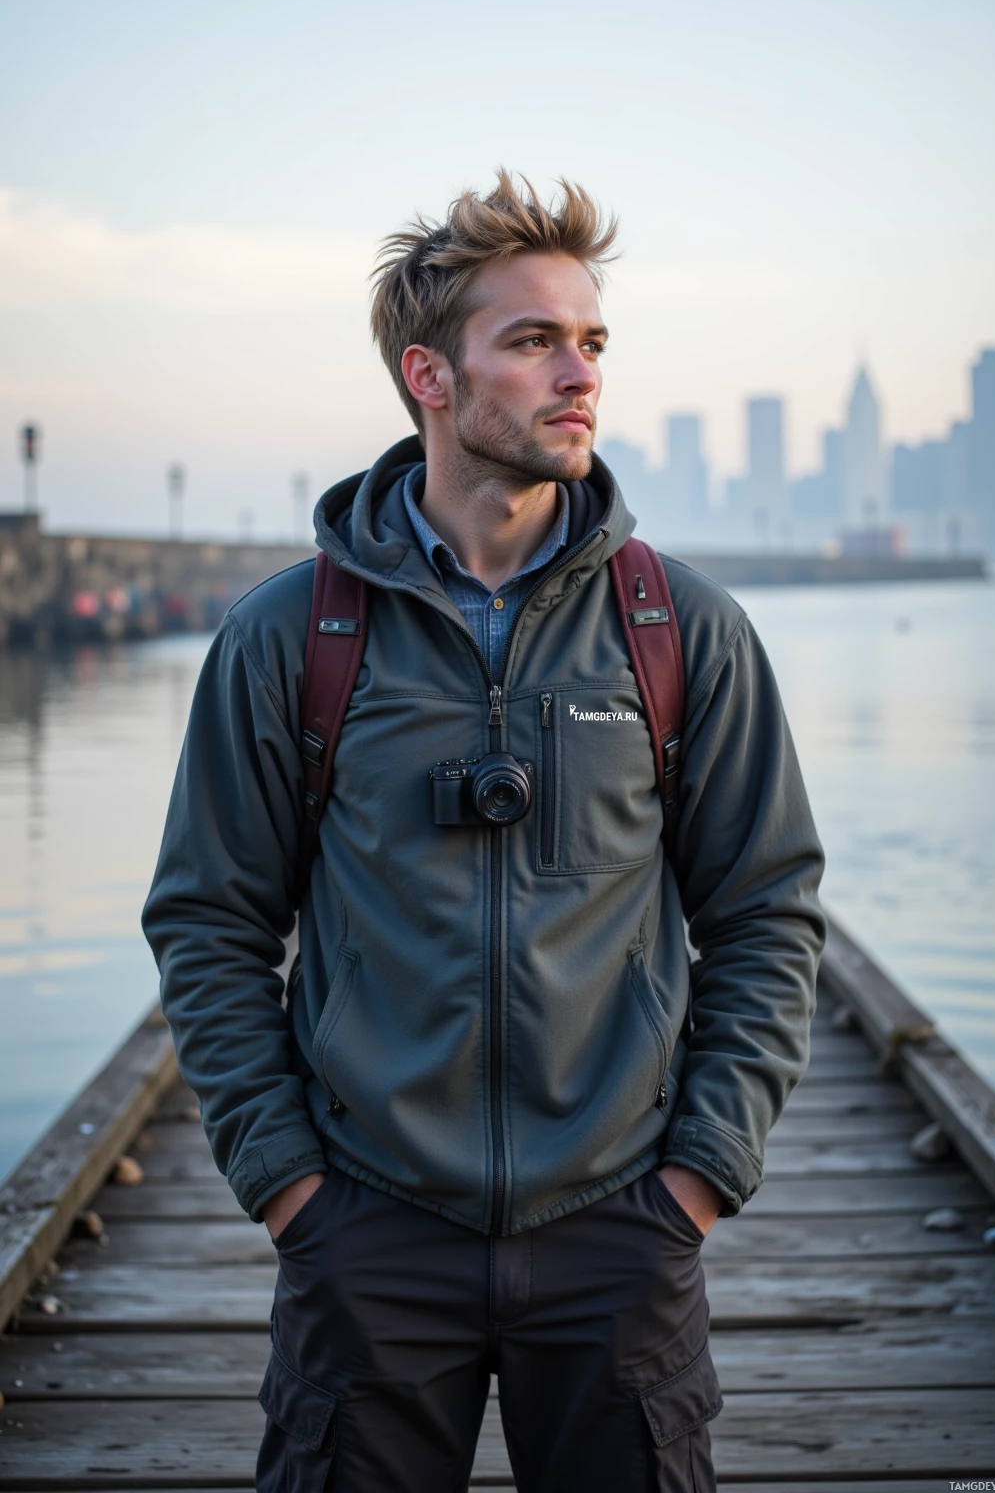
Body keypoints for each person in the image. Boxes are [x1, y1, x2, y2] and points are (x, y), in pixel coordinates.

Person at [143, 172, 825, 1493]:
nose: (580, 375)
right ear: (430, 377)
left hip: (620, 1232)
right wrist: (291, 1187)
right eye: (532, 341)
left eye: (593, 341)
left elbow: (768, 912)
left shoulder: (682, 631)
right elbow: (211, 923)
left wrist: (698, 1175)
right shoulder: (292, 639)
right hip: (368, 1239)